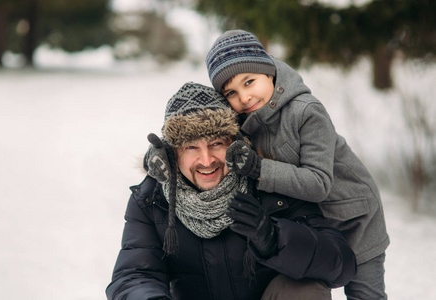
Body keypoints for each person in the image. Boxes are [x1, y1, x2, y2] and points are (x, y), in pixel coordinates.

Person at [106, 82, 356, 300]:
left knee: (305, 288)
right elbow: (134, 275)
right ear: (172, 154)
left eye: (216, 144)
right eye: (191, 147)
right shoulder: (152, 199)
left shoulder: (270, 184)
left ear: (236, 144)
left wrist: (275, 239)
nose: (206, 160)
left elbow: (340, 264)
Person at [205, 30, 390, 299]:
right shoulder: (244, 121)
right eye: (231, 92)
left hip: (353, 217)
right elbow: (199, 138)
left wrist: (259, 169)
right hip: (310, 226)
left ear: (268, 72)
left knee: (365, 294)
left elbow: (319, 184)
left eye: (249, 82)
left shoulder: (306, 112)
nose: (243, 97)